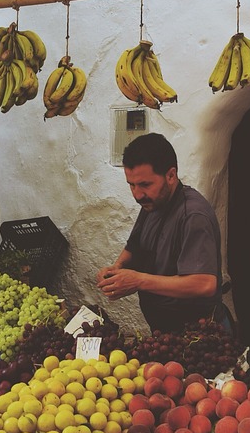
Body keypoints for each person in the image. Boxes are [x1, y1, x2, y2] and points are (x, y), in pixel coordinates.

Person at [96, 133, 230, 333]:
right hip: (165, 332)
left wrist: (138, 280)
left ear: (171, 175)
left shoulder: (193, 215)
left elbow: (205, 284)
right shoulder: (151, 204)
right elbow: (134, 248)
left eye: (145, 184)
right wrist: (116, 270)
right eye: (131, 185)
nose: (137, 195)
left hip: (200, 335)